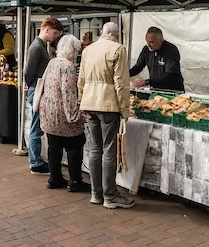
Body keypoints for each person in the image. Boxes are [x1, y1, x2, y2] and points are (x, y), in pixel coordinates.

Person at [78, 22, 134, 209]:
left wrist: (81, 101)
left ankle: (96, 193)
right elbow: (121, 83)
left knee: (95, 149)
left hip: (89, 102)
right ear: (116, 34)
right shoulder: (118, 49)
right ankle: (110, 195)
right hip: (108, 105)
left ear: (102, 32)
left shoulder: (88, 50)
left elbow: (81, 80)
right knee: (109, 149)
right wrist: (125, 110)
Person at [38, 34, 88, 192]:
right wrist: (75, 116)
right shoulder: (68, 66)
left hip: (49, 113)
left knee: (54, 147)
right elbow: (69, 94)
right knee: (74, 146)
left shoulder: (52, 62)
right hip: (63, 115)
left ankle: (54, 178)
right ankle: (74, 181)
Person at [24, 17, 64, 175]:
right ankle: (35, 163)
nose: (54, 36)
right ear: (46, 29)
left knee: (36, 126)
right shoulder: (37, 47)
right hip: (37, 89)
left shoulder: (40, 46)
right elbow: (28, 71)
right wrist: (31, 85)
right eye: (54, 33)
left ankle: (36, 161)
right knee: (36, 126)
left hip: (36, 88)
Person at [129, 27, 184, 92]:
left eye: (152, 42)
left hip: (172, 91)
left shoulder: (171, 50)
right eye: (147, 41)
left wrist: (147, 82)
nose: (148, 45)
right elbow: (138, 66)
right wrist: (124, 75)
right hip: (155, 90)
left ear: (161, 40)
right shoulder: (146, 49)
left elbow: (170, 75)